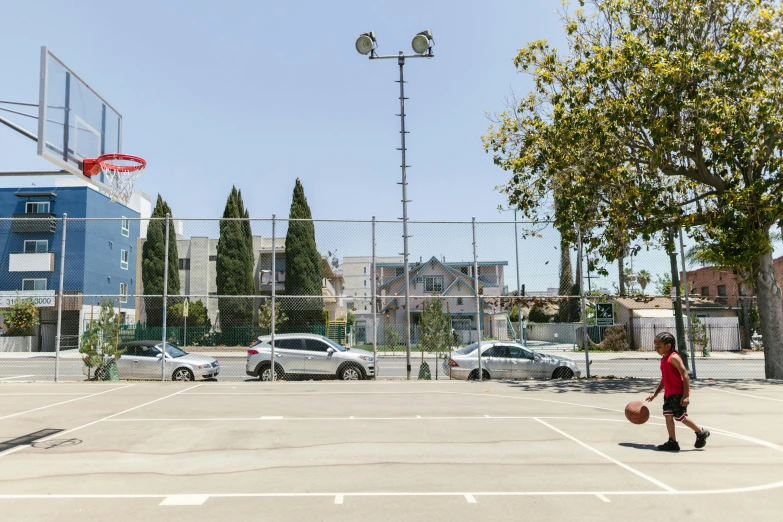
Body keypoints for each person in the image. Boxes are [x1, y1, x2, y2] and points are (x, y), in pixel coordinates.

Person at [646, 332, 710, 451]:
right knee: (668, 416)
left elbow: (685, 375)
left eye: (658, 346)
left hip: (678, 394)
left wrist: (686, 396)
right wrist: (655, 393)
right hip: (668, 394)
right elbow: (664, 379)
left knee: (680, 417)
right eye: (656, 346)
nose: (656, 349)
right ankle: (672, 441)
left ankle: (701, 432)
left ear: (668, 346)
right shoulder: (664, 359)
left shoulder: (674, 357)